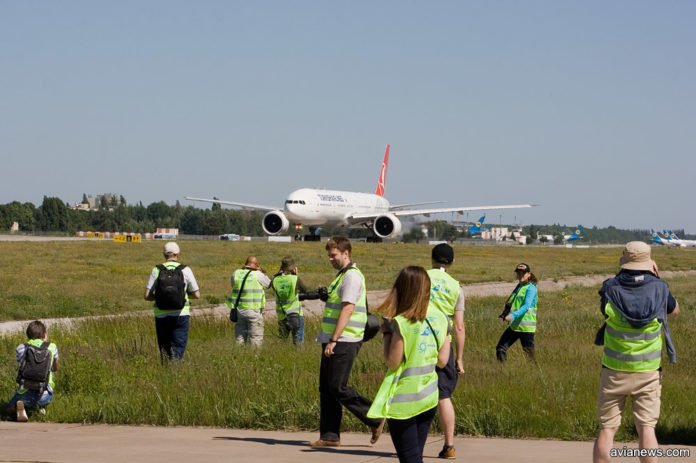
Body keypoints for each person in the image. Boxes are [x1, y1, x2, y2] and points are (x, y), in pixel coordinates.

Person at [592, 242, 679, 463]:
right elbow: (674, 311)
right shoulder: (660, 288)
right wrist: (656, 279)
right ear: (649, 262)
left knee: (607, 429)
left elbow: (606, 307)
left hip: (614, 369)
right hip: (648, 371)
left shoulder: (610, 289)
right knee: (647, 429)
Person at [368, 266, 450, 463]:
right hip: (428, 397)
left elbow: (393, 362)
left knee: (409, 459)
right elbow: (442, 360)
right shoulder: (441, 319)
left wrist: (387, 333)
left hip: (404, 403)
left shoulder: (401, 322)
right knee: (415, 456)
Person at [310, 236, 384, 447]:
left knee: (337, 386)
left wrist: (334, 340)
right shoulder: (341, 276)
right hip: (332, 338)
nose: (330, 259)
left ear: (345, 254)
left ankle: (374, 417)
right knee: (326, 388)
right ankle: (329, 436)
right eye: (328, 255)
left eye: (333, 255)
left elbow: (348, 308)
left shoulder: (352, 276)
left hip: (344, 339)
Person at [427, 243, 465, 459]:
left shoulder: (421, 277)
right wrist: (459, 358)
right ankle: (449, 445)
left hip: (418, 340)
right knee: (443, 395)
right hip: (443, 343)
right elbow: (459, 326)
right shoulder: (456, 287)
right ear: (451, 262)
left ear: (431, 259)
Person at [144, 242, 200, 362]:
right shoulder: (185, 270)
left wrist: (160, 297)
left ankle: (165, 371)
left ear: (164, 254)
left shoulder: (157, 270)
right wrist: (183, 295)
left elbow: (147, 296)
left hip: (161, 314)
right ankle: (174, 372)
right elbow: (197, 294)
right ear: (177, 254)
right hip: (181, 313)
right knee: (178, 348)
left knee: (164, 348)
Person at [7, 320, 59, 422]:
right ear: (44, 334)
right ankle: (41, 407)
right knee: (45, 392)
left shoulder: (21, 348)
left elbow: (21, 363)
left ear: (28, 335)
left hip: (25, 392)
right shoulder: (52, 347)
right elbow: (55, 368)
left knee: (9, 408)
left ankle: (20, 407)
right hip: (46, 395)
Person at [495, 263, 538, 363]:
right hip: (514, 326)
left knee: (530, 357)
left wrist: (512, 315)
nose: (520, 275)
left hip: (526, 327)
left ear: (528, 274)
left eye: (523, 273)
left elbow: (526, 306)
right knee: (500, 349)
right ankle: (504, 373)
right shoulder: (519, 287)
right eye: (518, 273)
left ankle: (536, 374)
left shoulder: (531, 288)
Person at [227, 255, 271, 347]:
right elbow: (268, 284)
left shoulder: (236, 273)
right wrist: (260, 271)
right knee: (255, 339)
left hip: (239, 311)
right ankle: (254, 358)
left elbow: (233, 285)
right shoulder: (258, 275)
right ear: (256, 265)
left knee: (239, 339)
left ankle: (238, 357)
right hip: (254, 311)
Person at [272, 256, 307, 345]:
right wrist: (296, 275)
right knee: (298, 340)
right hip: (295, 314)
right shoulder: (295, 279)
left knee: (282, 340)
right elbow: (304, 289)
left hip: (282, 315)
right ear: (293, 268)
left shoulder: (275, 280)